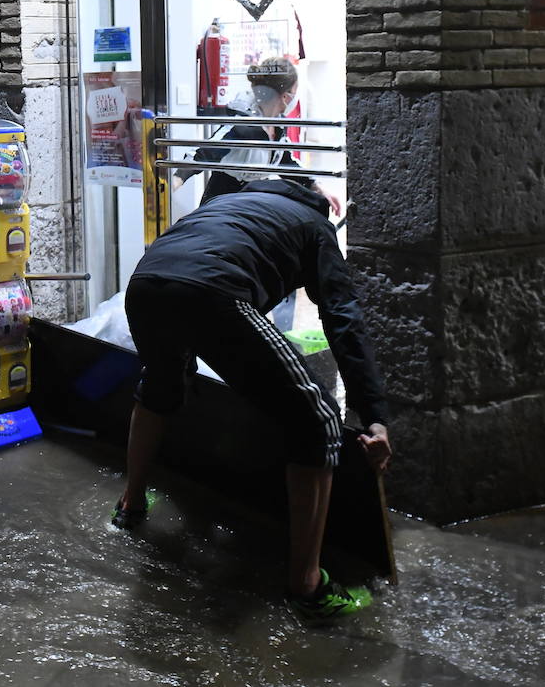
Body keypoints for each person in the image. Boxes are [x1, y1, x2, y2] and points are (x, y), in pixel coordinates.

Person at [111, 177, 392, 622]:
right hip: (213, 290)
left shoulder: (231, 202)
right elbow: (343, 320)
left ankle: (130, 504)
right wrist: (374, 418)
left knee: (162, 382)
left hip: (146, 281)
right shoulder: (315, 225)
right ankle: (308, 587)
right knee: (317, 417)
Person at [176, 56, 342, 214]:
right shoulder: (243, 125)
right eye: (295, 91)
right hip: (224, 207)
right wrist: (176, 179)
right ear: (285, 96)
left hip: (253, 205)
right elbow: (204, 153)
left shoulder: (277, 126)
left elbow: (286, 162)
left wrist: (317, 186)